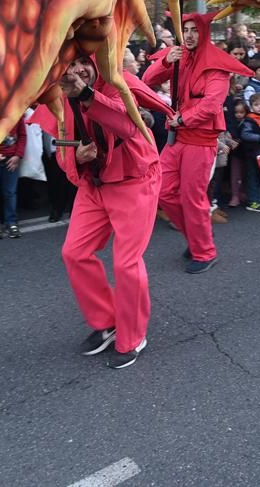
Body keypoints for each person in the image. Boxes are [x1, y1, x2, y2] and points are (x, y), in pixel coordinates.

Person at [33, 54, 171, 369]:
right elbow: (62, 150)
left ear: (96, 59)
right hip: (94, 185)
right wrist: (77, 158)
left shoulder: (120, 82)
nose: (75, 71)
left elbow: (128, 124)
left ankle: (133, 336)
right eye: (67, 66)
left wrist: (85, 94)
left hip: (135, 182)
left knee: (126, 264)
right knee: (74, 252)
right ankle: (107, 321)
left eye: (81, 61)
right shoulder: (59, 96)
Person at [144, 13, 251, 274]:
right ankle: (196, 238)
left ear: (203, 33)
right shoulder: (178, 56)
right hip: (176, 137)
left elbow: (211, 104)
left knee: (193, 200)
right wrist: (164, 63)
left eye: (194, 30)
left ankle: (204, 251)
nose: (189, 35)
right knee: (163, 191)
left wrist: (184, 118)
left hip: (200, 141)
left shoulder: (216, 66)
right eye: (185, 30)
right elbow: (146, 82)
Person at [237, 93, 260, 212]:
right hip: (252, 153)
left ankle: (258, 198)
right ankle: (252, 201)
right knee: (252, 176)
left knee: (259, 176)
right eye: (256, 105)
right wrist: (259, 137)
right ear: (251, 106)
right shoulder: (250, 119)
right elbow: (245, 134)